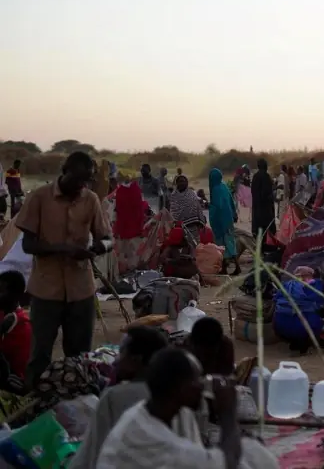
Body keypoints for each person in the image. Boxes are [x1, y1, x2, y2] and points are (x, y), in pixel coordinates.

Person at [15, 151, 112, 388]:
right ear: (64, 171)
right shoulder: (39, 198)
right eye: (77, 179)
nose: (81, 185)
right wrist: (64, 249)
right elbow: (28, 245)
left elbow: (109, 238)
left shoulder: (90, 200)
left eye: (86, 180)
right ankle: (34, 409)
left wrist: (99, 247)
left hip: (81, 290)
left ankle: (76, 405)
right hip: (46, 290)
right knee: (40, 355)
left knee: (80, 357)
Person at [96, 347, 279, 469]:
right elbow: (226, 463)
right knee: (252, 456)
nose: (202, 386)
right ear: (181, 388)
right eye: (197, 380)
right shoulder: (156, 441)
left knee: (250, 450)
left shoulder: (144, 414)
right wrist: (228, 414)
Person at [70, 326, 170, 469]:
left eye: (121, 353)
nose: (116, 361)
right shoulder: (172, 395)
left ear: (136, 359)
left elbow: (92, 452)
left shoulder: (116, 397)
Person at [273, 267, 324, 356]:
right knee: (314, 318)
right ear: (310, 275)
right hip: (303, 326)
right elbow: (320, 300)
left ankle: (294, 343)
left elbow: (275, 298)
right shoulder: (315, 284)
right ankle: (303, 348)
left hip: (279, 327)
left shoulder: (287, 285)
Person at [0, 270, 31, 394]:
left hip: (15, 384)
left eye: (1, 292)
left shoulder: (19, 324)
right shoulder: (5, 313)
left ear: (15, 296)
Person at [208, 168, 240, 276]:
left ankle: (224, 268)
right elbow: (231, 201)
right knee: (230, 243)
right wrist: (234, 213)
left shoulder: (215, 189)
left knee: (221, 244)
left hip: (220, 220)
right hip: (228, 219)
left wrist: (210, 208)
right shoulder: (224, 186)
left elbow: (218, 206)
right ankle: (236, 266)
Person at [169, 174, 206, 246]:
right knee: (179, 245)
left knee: (194, 245)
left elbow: (198, 207)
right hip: (178, 227)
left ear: (187, 182)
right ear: (177, 183)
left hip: (193, 224)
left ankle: (194, 256)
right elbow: (173, 211)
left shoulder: (192, 193)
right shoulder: (173, 196)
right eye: (180, 181)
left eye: (184, 181)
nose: (182, 183)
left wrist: (201, 219)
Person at [250, 159, 275, 236]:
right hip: (265, 209)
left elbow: (253, 191)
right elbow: (268, 193)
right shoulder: (266, 177)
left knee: (258, 230)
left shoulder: (255, 177)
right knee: (267, 230)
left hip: (257, 208)